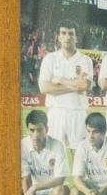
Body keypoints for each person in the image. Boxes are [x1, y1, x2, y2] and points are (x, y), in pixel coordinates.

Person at [38, 22, 95, 153]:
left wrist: (60, 80)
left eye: (71, 33)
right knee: (53, 157)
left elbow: (84, 85)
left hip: (77, 113)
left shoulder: (85, 60)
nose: (67, 37)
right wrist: (74, 86)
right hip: (55, 113)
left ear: (76, 37)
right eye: (63, 33)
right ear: (58, 36)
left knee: (79, 156)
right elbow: (44, 87)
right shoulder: (50, 59)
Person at [22, 108, 70, 195]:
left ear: (46, 129)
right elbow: (25, 179)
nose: (35, 135)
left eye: (39, 130)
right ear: (27, 129)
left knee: (62, 190)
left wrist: (35, 187)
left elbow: (60, 179)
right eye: (32, 130)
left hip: (52, 192)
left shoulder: (57, 145)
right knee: (17, 193)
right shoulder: (23, 145)